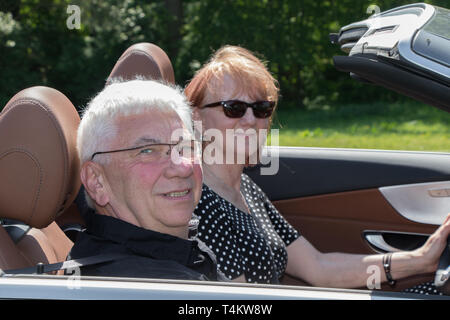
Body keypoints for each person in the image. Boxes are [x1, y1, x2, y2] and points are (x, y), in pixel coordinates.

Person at [184, 45, 450, 291]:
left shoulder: (245, 188)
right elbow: (242, 303)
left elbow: (318, 268)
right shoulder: (200, 204)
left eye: (262, 108)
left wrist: (420, 260)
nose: (251, 120)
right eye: (234, 108)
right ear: (197, 118)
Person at [69, 79, 223, 281]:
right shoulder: (139, 287)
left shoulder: (172, 256)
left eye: (185, 147)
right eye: (148, 151)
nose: (183, 167)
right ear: (96, 181)